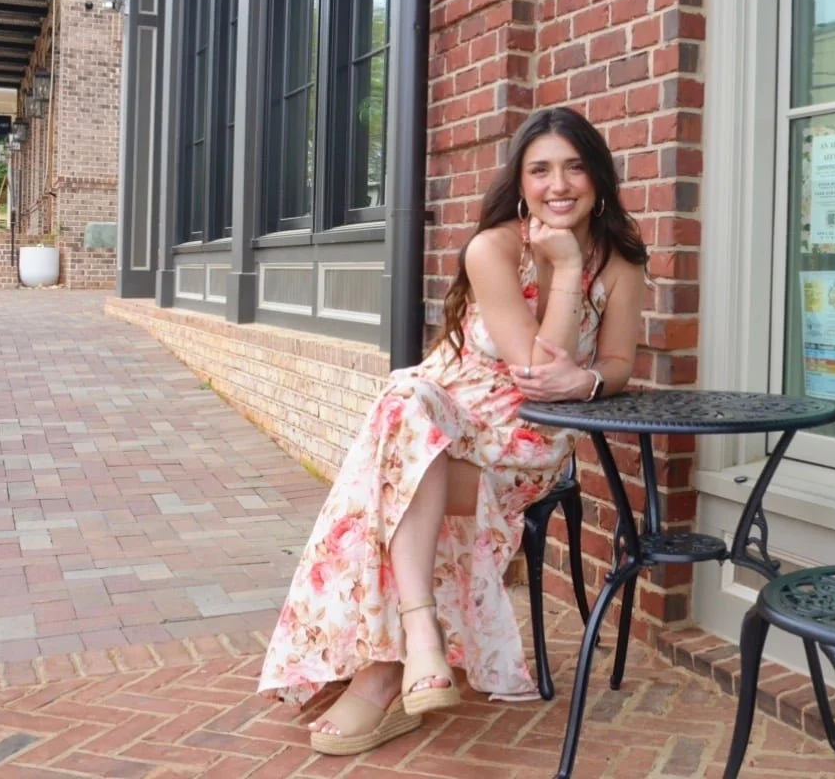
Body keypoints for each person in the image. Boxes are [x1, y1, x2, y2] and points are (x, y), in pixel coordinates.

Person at [256, 106, 648, 756]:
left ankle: (388, 670)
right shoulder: (493, 248)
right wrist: (562, 296)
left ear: (599, 179)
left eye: (575, 168)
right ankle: (419, 639)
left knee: (388, 461)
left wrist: (587, 360)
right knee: (406, 404)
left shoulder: (620, 263)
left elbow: (598, 366)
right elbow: (534, 362)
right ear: (519, 184)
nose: (558, 185)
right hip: (445, 414)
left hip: (529, 439)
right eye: (540, 170)